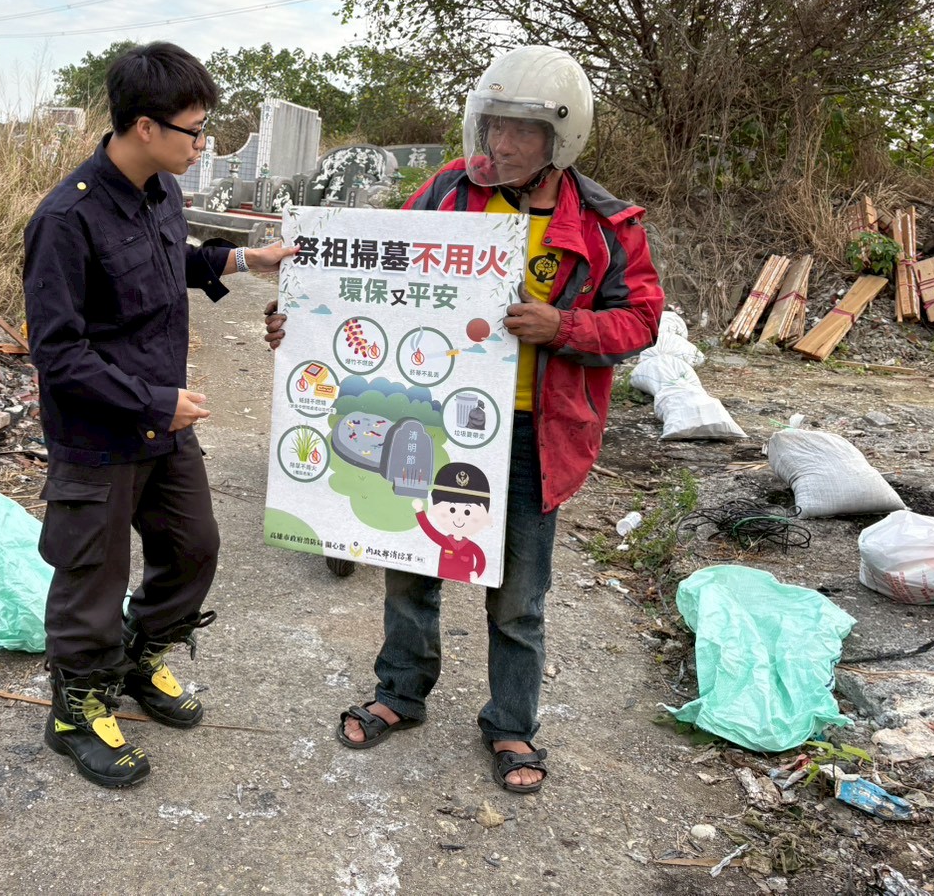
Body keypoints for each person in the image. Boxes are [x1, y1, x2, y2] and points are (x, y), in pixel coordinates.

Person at [264, 45, 663, 792]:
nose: (501, 146)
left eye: (523, 132)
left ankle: (511, 728)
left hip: (530, 439)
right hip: (434, 419)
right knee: (409, 568)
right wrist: (305, 323)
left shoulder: (608, 224)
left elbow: (640, 321)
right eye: (494, 127)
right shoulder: (446, 195)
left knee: (516, 597)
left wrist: (566, 328)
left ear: (562, 138)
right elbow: (378, 280)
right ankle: (398, 694)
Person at [24, 41, 291, 789]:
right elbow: (59, 354)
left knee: (195, 546)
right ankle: (76, 710)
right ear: (145, 127)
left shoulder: (160, 194)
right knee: (91, 578)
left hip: (163, 424)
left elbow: (169, 264)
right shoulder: (64, 220)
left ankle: (140, 660)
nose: (201, 145)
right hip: (100, 434)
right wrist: (154, 401)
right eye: (193, 131)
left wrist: (244, 261)